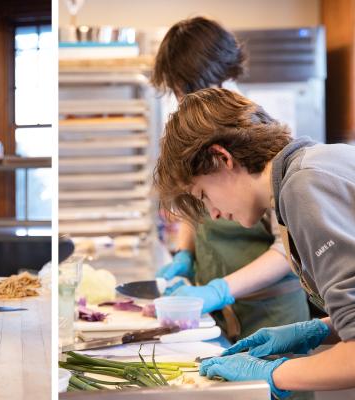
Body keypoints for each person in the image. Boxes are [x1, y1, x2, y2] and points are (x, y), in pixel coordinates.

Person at [155, 87, 355, 398]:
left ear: (221, 158)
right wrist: (318, 331)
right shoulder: (312, 164)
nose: (215, 213)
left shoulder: (303, 187)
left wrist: (272, 373)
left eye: (203, 196)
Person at [152, 16, 309, 340]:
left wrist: (221, 289)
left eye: (188, 87)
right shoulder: (197, 128)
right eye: (179, 91)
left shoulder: (256, 135)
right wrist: (184, 252)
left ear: (219, 74)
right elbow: (197, 191)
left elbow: (289, 248)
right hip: (220, 313)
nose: (184, 99)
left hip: (270, 313)